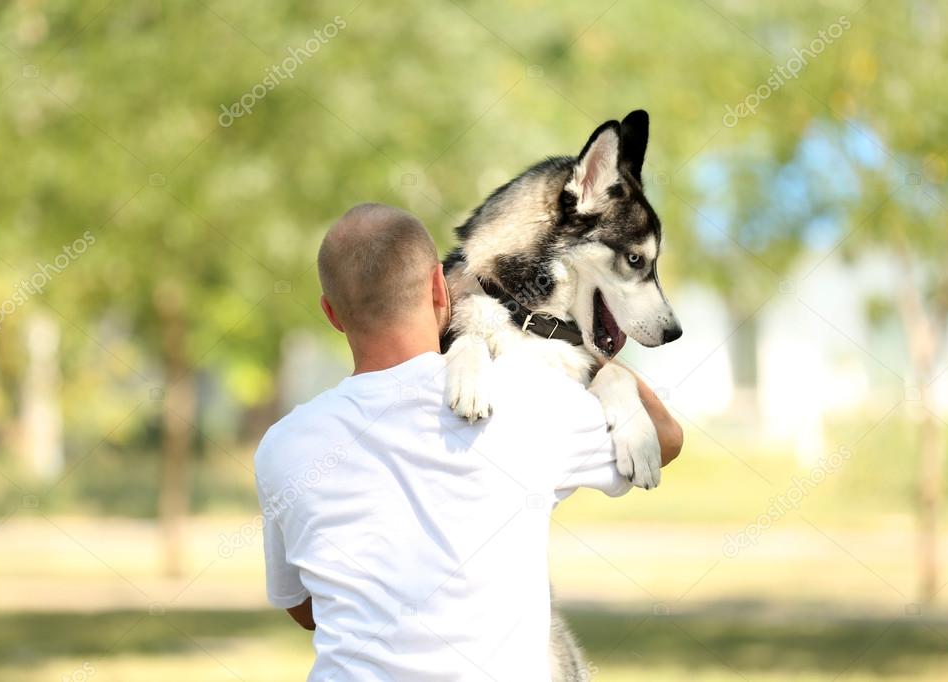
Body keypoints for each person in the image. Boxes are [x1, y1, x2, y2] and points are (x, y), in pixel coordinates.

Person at [254, 203, 682, 681]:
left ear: (332, 313)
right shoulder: (531, 399)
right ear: (441, 287)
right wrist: (592, 350)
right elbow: (664, 437)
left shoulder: (284, 445)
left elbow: (303, 605)